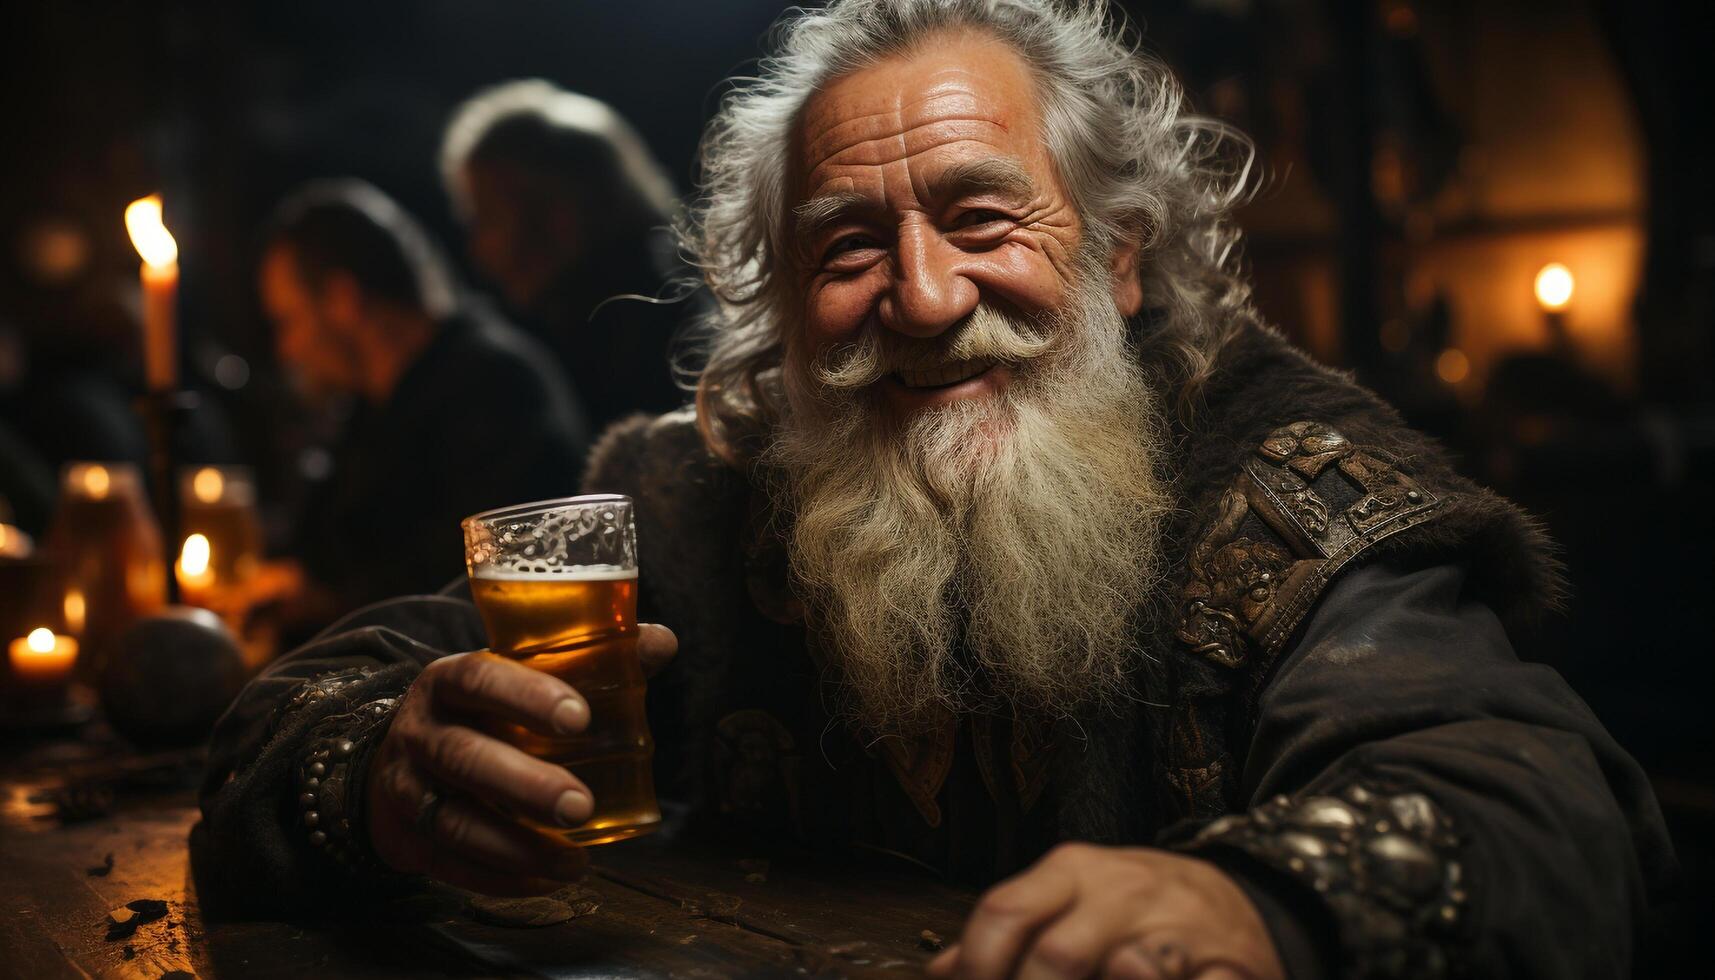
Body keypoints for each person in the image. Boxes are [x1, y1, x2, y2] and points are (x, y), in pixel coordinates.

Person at [202, 4, 1674, 977]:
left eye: (980, 217)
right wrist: (385, 770)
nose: (917, 296)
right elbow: (313, 704)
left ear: (1116, 254)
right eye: (845, 248)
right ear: (779, 311)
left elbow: (1543, 810)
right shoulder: (696, 495)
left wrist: (1260, 906)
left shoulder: (1282, 487)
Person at [253, 179, 590, 626]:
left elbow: (478, 574)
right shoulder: (366, 407)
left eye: (288, 321)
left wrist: (323, 600)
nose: (286, 350)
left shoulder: (495, 387)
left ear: (342, 298)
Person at [440, 80, 692, 432]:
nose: (477, 248)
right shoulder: (583, 323)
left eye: (488, 217)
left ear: (562, 212)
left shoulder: (650, 335)